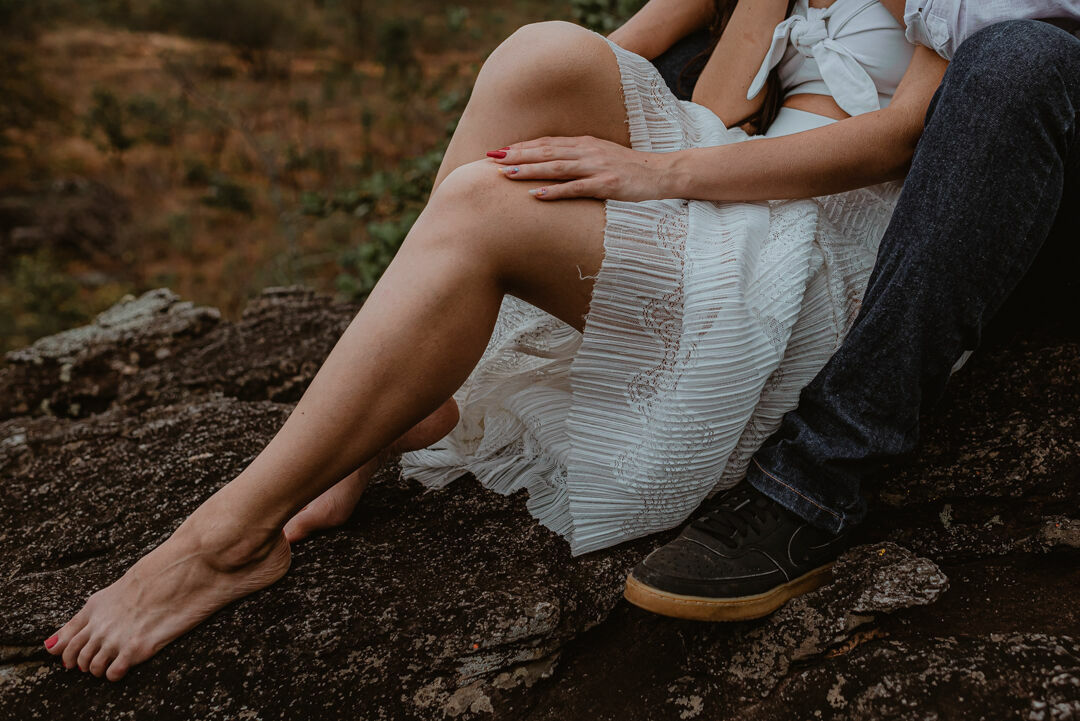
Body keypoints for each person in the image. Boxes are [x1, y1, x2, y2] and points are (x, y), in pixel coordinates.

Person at [43, 0, 950, 680]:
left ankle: (227, 537)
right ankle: (384, 415)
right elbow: (695, 94)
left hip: (825, 233)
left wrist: (648, 171)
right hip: (724, 162)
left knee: (484, 210)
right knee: (540, 52)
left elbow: (903, 139)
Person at [624, 3, 1080, 620]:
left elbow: (976, 31)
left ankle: (814, 479)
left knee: (1020, 54)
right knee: (672, 62)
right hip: (962, 184)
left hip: (1035, 142)